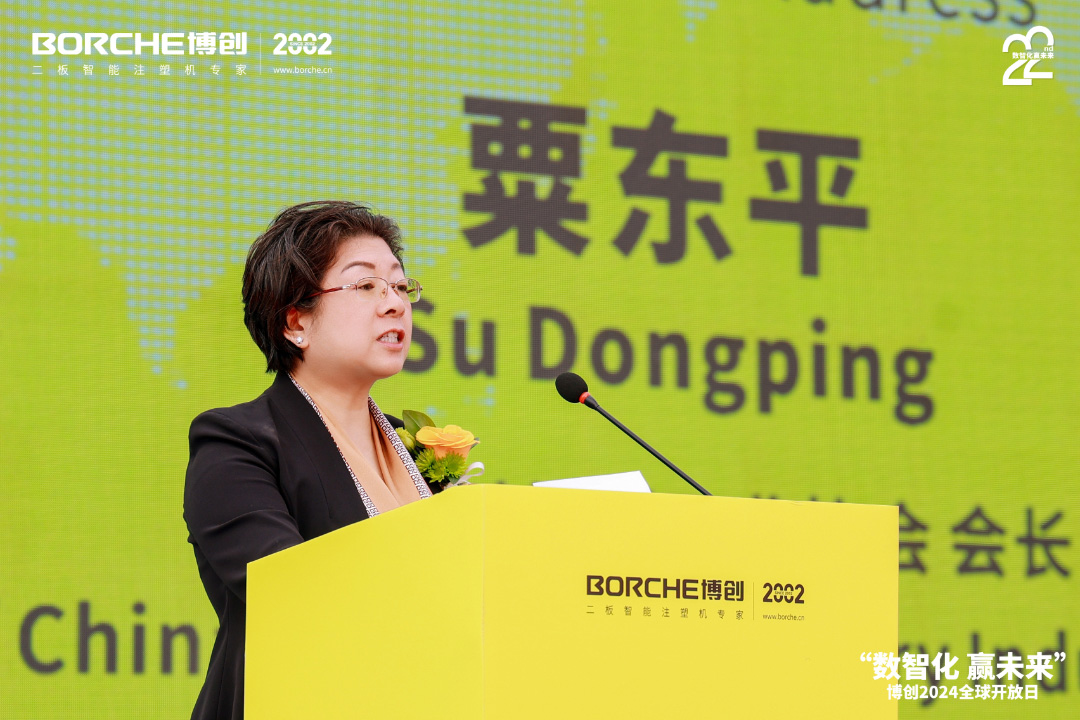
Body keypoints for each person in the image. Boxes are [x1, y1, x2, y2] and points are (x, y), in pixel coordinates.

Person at [183, 201, 432, 720]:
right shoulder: (236, 443)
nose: (394, 304)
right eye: (366, 286)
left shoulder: (414, 450)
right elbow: (288, 587)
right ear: (296, 322)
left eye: (399, 285)